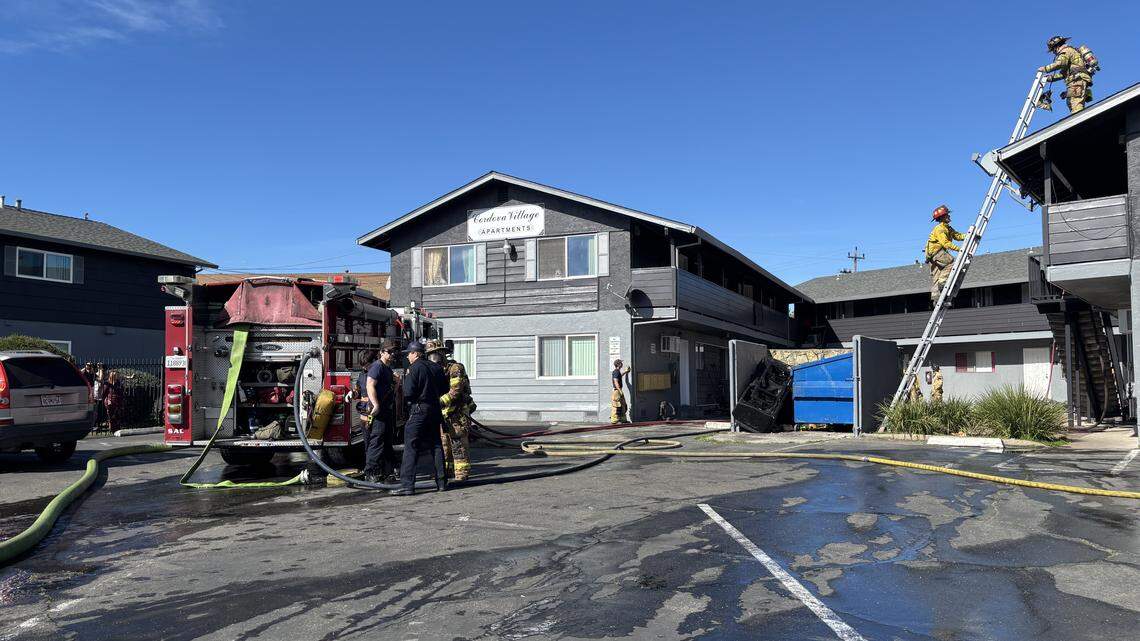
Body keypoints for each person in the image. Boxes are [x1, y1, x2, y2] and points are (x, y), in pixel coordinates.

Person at [390, 341, 447, 496]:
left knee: (411, 447)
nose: (408, 356)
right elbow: (445, 389)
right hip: (435, 409)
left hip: (419, 410)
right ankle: (441, 482)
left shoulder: (413, 369)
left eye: (409, 353)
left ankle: (407, 485)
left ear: (416, 353)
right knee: (436, 445)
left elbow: (408, 392)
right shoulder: (436, 367)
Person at [359, 342, 400, 484]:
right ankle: (370, 472)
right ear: (382, 352)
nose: (392, 354)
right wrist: (375, 404)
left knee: (387, 442)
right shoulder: (377, 366)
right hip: (379, 412)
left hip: (386, 410)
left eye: (393, 352)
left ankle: (387, 471)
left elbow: (391, 390)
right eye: (389, 352)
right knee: (376, 442)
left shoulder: (386, 368)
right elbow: (369, 384)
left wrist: (397, 383)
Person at [434, 341, 474, 481]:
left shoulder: (455, 368)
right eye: (430, 355)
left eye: (435, 354)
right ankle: (448, 472)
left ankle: (462, 475)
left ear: (442, 353)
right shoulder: (438, 370)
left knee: (458, 444)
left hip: (457, 413)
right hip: (444, 414)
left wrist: (438, 402)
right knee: (445, 445)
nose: (433, 358)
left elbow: (455, 391)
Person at [1038, 36, 1093, 113]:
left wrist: (1045, 69)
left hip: (1077, 80)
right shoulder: (1070, 52)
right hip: (1076, 81)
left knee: (1075, 104)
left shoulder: (1066, 51)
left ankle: (1079, 122)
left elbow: (1060, 63)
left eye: (1053, 50)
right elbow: (1063, 74)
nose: (1054, 53)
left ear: (1056, 47)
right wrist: (1051, 78)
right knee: (1071, 102)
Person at [925, 205, 966, 304]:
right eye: (947, 215)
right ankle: (943, 282)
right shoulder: (940, 229)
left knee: (936, 277)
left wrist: (969, 235)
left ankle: (936, 300)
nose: (949, 216)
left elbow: (958, 236)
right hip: (937, 252)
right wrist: (960, 249)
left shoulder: (947, 228)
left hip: (931, 255)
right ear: (943, 217)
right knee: (951, 263)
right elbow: (946, 243)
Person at [610, 359, 631, 424]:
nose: (622, 364)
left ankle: (623, 420)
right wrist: (619, 390)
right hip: (617, 391)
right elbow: (616, 381)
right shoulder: (616, 372)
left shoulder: (617, 372)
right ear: (619, 364)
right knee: (617, 406)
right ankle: (615, 420)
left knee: (623, 405)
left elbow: (619, 377)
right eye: (621, 363)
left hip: (618, 390)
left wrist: (625, 372)